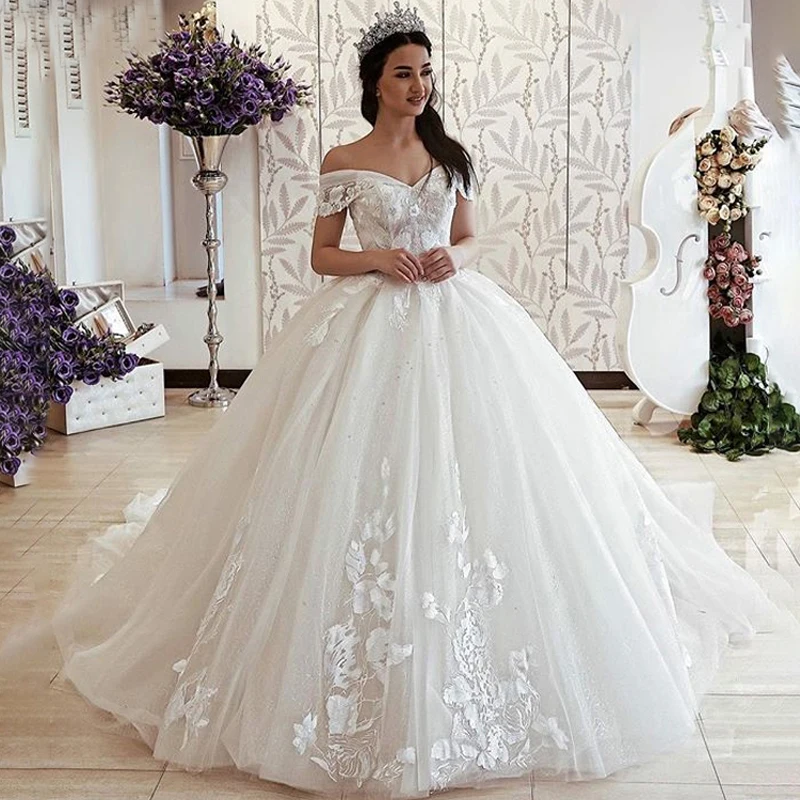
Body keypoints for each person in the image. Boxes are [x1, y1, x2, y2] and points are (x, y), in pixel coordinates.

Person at [6, 4, 792, 799]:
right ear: (376, 85)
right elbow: (321, 255)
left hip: (458, 321)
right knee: (345, 471)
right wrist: (376, 258)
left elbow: (473, 237)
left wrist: (457, 257)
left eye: (426, 73)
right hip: (367, 324)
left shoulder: (450, 154)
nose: (420, 86)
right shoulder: (344, 159)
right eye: (404, 74)